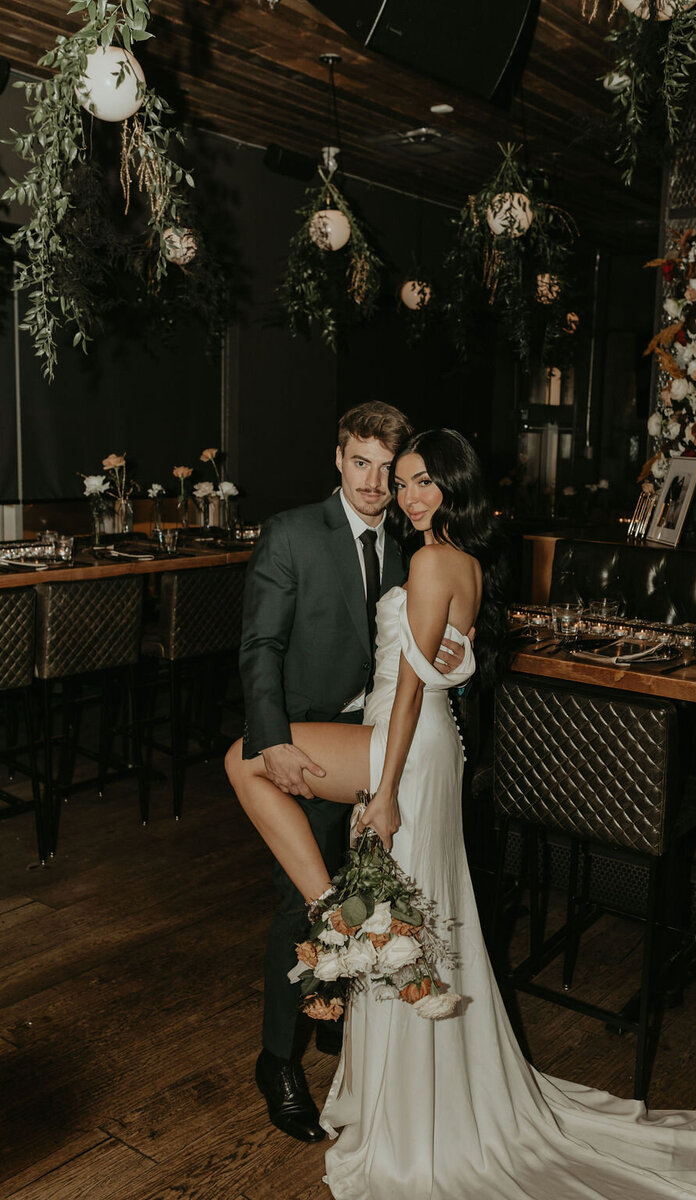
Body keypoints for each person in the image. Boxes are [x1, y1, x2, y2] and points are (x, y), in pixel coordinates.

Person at [228, 428, 696, 1200]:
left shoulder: (430, 559)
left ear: (455, 485)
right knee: (411, 905)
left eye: (424, 480)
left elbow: (408, 688)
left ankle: (331, 913)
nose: (408, 494)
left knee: (248, 762)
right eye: (401, 482)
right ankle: (340, 922)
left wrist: (385, 790)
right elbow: (444, 672)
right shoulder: (460, 559)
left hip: (405, 745)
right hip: (423, 742)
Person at [233, 402, 466, 1144]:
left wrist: (456, 664)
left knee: (365, 885)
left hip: (380, 751)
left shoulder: (410, 547)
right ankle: (278, 1061)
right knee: (298, 906)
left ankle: (339, 1023)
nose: (373, 483)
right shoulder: (292, 532)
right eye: (359, 463)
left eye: (386, 471)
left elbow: (421, 652)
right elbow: (260, 647)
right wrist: (269, 742)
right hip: (304, 751)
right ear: (338, 459)